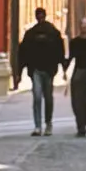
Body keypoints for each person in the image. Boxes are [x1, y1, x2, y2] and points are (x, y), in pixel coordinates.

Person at [15, 8, 67, 137]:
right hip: (42, 70)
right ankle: (40, 125)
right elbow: (59, 52)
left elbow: (23, 54)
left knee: (44, 98)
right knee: (41, 97)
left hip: (43, 70)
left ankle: (45, 124)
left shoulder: (32, 34)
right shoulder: (52, 33)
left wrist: (19, 72)